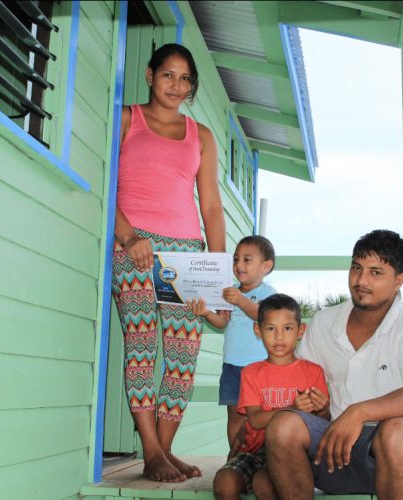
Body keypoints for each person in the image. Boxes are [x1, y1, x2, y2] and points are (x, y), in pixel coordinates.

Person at [111, 43, 226, 483]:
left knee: (183, 355)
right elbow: (107, 183)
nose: (177, 86)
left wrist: (215, 275)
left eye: (185, 79)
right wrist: (128, 235)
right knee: (142, 347)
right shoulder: (127, 120)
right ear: (149, 75)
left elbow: (212, 208)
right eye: (168, 75)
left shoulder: (202, 136)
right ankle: (151, 450)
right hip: (137, 248)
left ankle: (167, 449)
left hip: (186, 254)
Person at [256, 230, 403, 500]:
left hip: (396, 457)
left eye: (376, 273)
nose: (361, 280)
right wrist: (316, 406)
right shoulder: (323, 322)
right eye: (356, 268)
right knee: (284, 426)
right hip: (331, 449)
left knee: (398, 431)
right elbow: (298, 387)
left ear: (398, 281)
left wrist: (360, 412)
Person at [212, 294, 329, 500]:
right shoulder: (251, 373)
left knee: (264, 484)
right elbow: (255, 420)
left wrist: (322, 407)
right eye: (270, 329)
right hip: (254, 451)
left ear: (301, 331)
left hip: (294, 452)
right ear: (258, 331)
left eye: (287, 328)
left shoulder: (313, 372)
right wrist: (292, 408)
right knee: (224, 482)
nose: (279, 337)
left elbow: (322, 421)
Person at [187, 235, 277, 449]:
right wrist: (207, 312)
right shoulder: (230, 293)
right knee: (235, 415)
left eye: (247, 259)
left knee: (261, 417)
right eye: (236, 259)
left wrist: (240, 299)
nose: (239, 265)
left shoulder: (268, 293)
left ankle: (262, 457)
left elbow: (263, 315)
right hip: (232, 366)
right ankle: (235, 455)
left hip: (260, 368)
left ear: (266, 266)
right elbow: (221, 322)